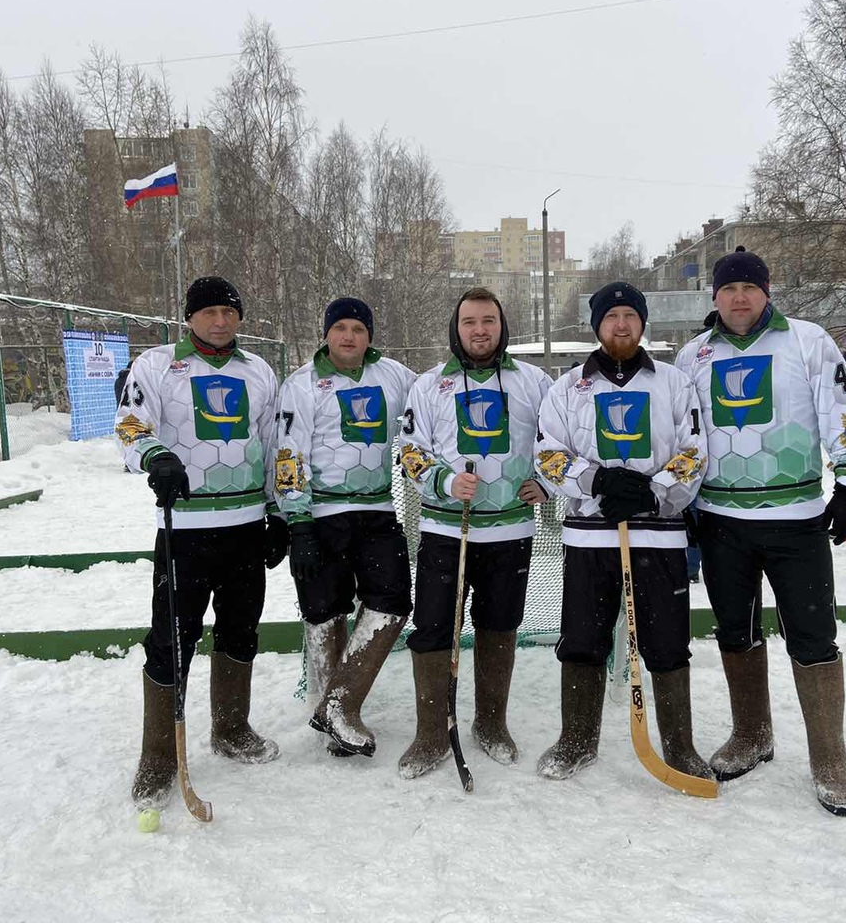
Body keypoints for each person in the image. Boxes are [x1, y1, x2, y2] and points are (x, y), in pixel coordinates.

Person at [675, 246, 846, 817]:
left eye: (750, 288)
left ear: (766, 293)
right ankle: (751, 734)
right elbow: (681, 434)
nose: (739, 298)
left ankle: (830, 757)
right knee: (736, 631)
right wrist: (679, 497)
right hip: (720, 522)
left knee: (813, 637)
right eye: (729, 289)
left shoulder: (807, 340)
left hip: (795, 520)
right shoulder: (694, 355)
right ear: (714, 296)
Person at [116, 275, 288, 809]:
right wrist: (153, 456)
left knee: (241, 631)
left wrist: (277, 510)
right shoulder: (157, 365)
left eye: (229, 312)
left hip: (244, 527)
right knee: (172, 638)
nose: (219, 321)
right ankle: (160, 755)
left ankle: (231, 728)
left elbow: (275, 444)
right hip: (184, 530)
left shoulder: (258, 371)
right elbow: (128, 424)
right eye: (209, 312)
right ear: (189, 317)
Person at [535, 281, 711, 783]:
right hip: (590, 537)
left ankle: (679, 746)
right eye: (611, 317)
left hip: (658, 536)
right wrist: (595, 480)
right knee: (583, 641)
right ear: (597, 326)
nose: (621, 324)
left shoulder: (675, 383)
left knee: (668, 643)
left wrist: (653, 492)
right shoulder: (567, 387)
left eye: (629, 316)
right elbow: (548, 453)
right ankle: (576, 740)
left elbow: (694, 449)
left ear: (641, 323)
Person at [396, 287, 552, 778]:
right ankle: (431, 732)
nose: (480, 330)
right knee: (434, 628)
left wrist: (547, 481)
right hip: (447, 531)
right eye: (469, 322)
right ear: (455, 328)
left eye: (488, 320)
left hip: (509, 531)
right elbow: (409, 450)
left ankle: (490, 722)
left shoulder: (534, 381)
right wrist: (443, 479)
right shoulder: (428, 386)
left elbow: (562, 436)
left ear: (501, 326)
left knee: (499, 626)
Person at [273, 297, 417, 758]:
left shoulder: (394, 376)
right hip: (321, 514)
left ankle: (339, 703)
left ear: (370, 335)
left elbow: (434, 403)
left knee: (393, 601)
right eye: (340, 328)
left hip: (376, 509)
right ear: (326, 333)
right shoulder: (302, 384)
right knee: (324, 610)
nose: (349, 336)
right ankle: (332, 712)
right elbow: (288, 453)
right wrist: (297, 521)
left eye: (358, 328)